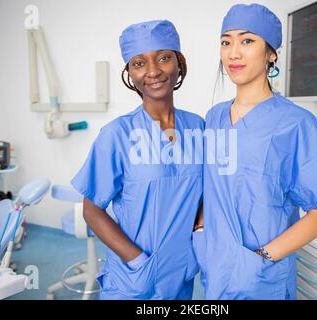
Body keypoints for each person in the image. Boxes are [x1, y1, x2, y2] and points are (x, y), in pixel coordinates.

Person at [195, 3, 317, 300]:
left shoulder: (296, 123)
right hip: (216, 265)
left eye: (247, 41)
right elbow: (212, 184)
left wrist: (259, 259)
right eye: (226, 42)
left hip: (263, 276)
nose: (233, 52)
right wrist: (201, 229)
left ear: (271, 53)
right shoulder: (213, 117)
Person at [71, 20, 204, 300]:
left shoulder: (199, 127)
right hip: (134, 278)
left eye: (164, 58)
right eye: (139, 63)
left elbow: (207, 190)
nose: (153, 71)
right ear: (130, 73)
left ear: (179, 63)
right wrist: (138, 261)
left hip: (181, 272)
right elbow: (92, 210)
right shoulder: (117, 134)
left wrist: (198, 238)